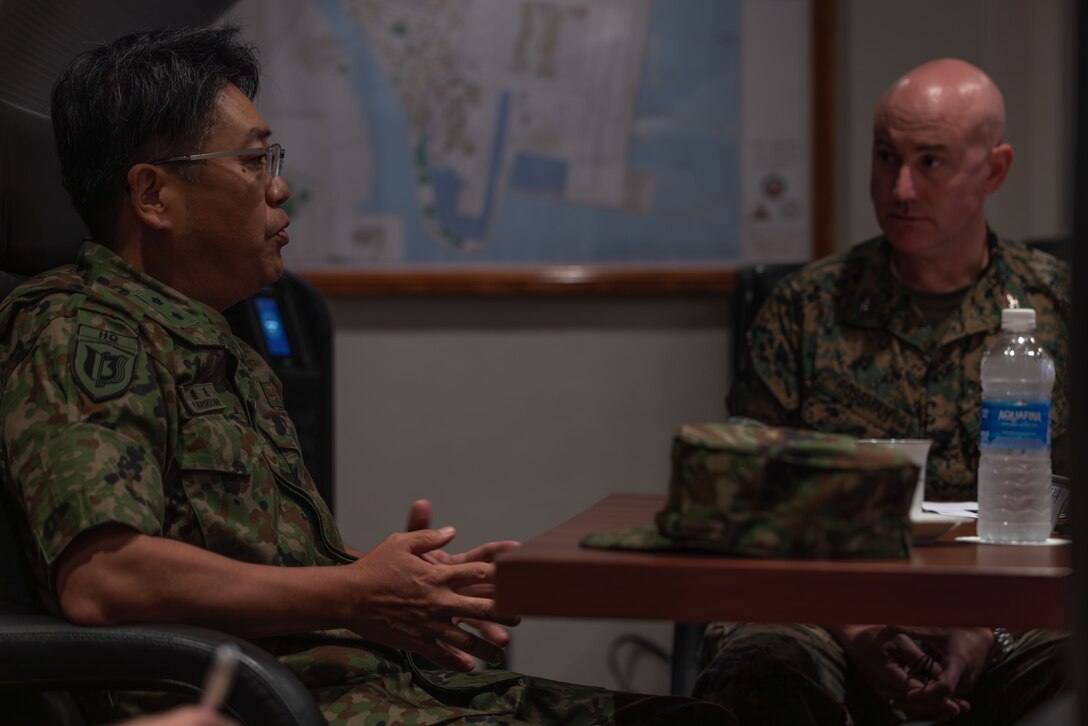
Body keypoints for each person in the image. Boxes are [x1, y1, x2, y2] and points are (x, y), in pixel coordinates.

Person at [0, 26, 729, 725]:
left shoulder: (210, 338)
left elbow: (257, 555)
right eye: (254, 162)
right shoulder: (80, 330)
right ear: (153, 195)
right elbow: (105, 578)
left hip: (372, 689)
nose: (278, 191)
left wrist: (418, 585)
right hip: (263, 706)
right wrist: (354, 592)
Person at [695, 59, 1070, 724]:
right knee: (761, 673)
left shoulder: (1061, 309)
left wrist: (987, 627)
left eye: (930, 162)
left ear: (994, 171)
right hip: (823, 605)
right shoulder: (805, 308)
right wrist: (854, 624)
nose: (899, 188)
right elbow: (746, 498)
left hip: (1018, 610)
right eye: (885, 157)